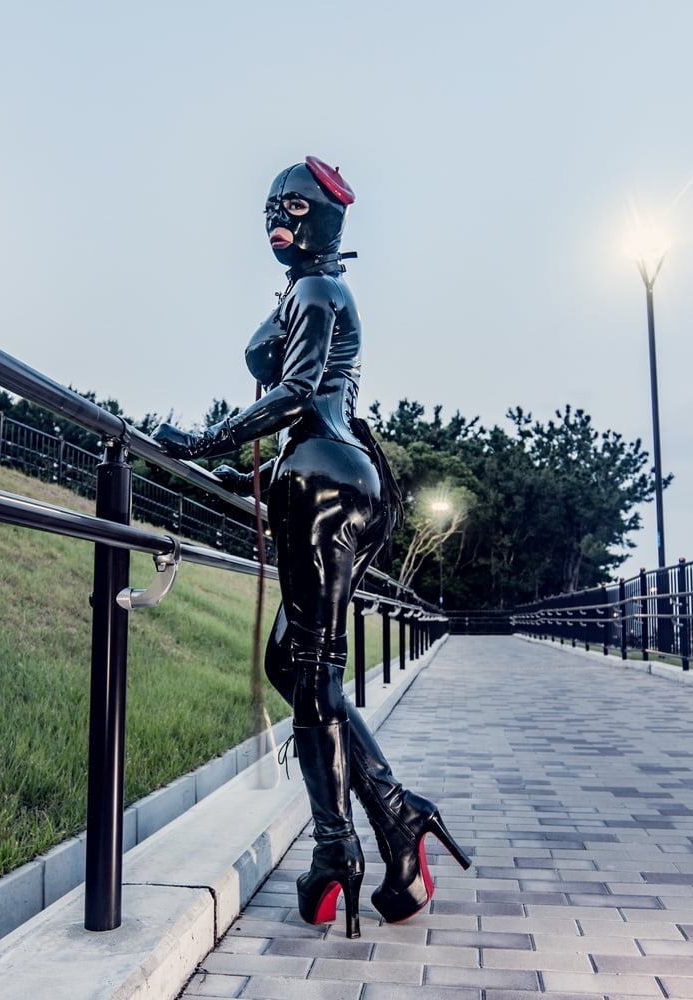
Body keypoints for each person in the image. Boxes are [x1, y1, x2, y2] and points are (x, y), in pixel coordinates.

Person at [154, 156, 470, 939]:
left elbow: (297, 393)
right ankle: (395, 823)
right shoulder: (315, 292)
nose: (278, 219)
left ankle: (339, 849)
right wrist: (246, 469)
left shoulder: (318, 290)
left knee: (314, 674)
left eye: (293, 206)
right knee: (292, 666)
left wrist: (199, 441)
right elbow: (318, 401)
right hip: (332, 475)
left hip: (322, 481)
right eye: (271, 207)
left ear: (327, 218)